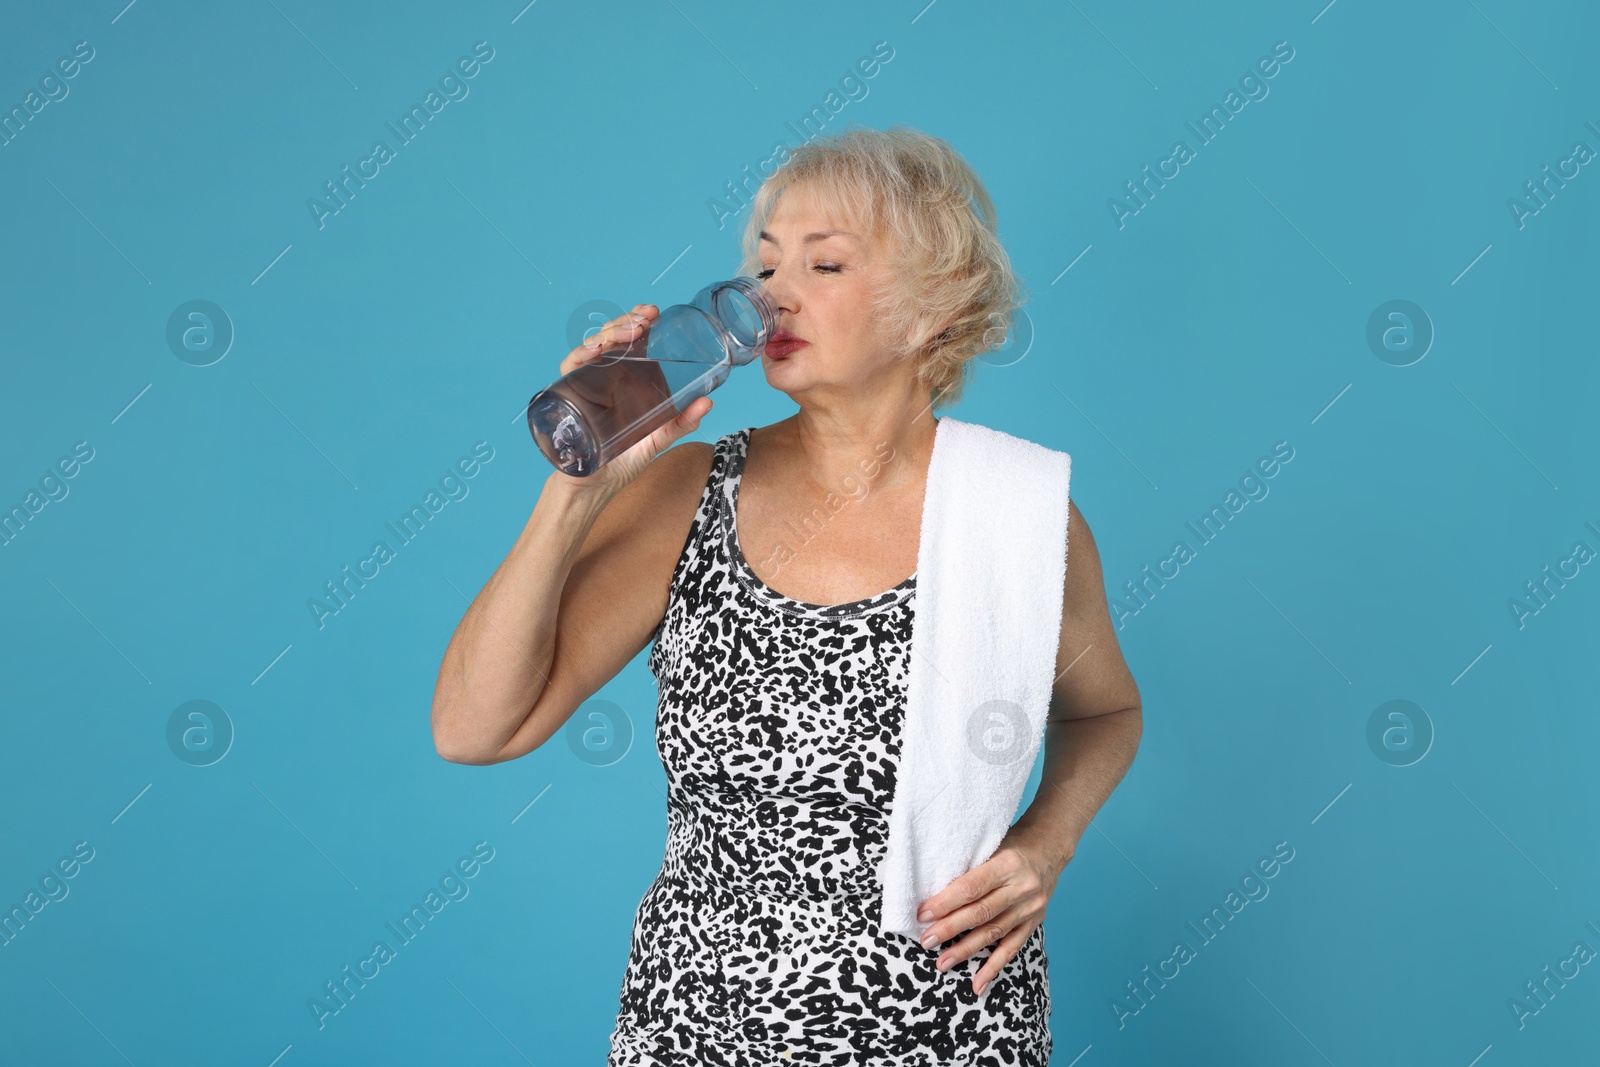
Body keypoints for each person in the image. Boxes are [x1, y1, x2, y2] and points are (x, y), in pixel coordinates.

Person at [430, 123, 1142, 1066]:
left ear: (930, 309)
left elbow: (1107, 712)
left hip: (951, 1038)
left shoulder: (1021, 513)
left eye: (826, 264)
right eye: (766, 264)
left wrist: (1047, 842)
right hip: (699, 1034)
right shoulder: (688, 493)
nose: (772, 295)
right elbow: (476, 730)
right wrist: (578, 489)